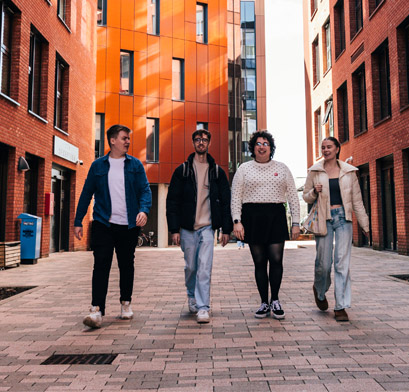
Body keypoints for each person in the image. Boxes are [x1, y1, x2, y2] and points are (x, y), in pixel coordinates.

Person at [73, 124, 152, 329]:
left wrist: (143, 210)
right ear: (112, 140)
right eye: (124, 138)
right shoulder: (98, 166)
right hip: (103, 224)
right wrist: (78, 220)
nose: (128, 141)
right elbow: (86, 193)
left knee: (126, 265)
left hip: (128, 226)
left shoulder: (135, 165)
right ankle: (96, 309)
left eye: (128, 138)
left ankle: (126, 303)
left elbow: (145, 190)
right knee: (101, 265)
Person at [231, 130, 301, 319]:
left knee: (276, 260)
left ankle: (275, 300)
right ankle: (264, 302)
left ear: (271, 148)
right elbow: (235, 196)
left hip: (275, 216)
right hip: (252, 218)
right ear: (253, 148)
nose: (262, 147)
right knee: (260, 262)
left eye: (265, 144)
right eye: (258, 144)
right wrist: (237, 221)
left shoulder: (283, 168)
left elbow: (293, 197)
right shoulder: (244, 169)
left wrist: (296, 223)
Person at [166, 129, 232, 324]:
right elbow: (172, 201)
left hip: (207, 227)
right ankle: (191, 294)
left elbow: (226, 201)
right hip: (187, 228)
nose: (201, 142)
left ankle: (203, 307)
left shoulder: (217, 172)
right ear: (193, 142)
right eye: (197, 139)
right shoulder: (183, 170)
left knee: (205, 267)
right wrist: (174, 229)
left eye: (204, 140)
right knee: (191, 267)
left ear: (209, 143)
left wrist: (226, 229)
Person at [303, 137, 370, 322]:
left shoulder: (349, 172)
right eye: (323, 147)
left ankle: (341, 306)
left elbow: (357, 200)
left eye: (329, 147)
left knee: (342, 263)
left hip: (343, 219)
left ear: (337, 149)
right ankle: (320, 290)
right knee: (323, 264)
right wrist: (314, 192)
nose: (325, 150)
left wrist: (365, 224)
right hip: (324, 219)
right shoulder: (315, 170)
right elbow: (306, 197)